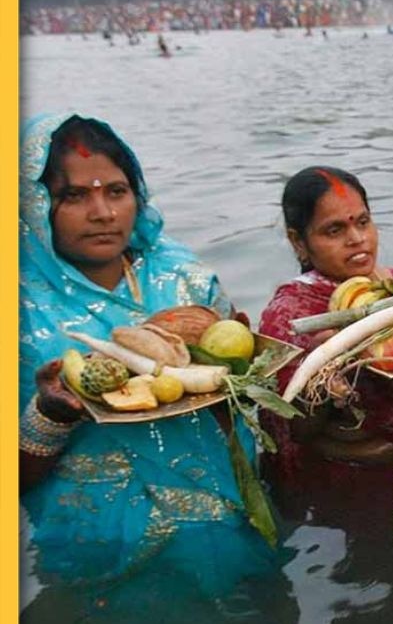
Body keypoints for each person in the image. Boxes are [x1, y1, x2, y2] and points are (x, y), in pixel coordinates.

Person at [18, 113, 277, 591]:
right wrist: (48, 415)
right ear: (35, 206)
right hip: (99, 555)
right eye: (75, 195)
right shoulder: (22, 310)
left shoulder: (186, 280)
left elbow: (249, 409)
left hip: (226, 527)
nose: (103, 212)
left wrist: (244, 373)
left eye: (116, 191)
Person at [257, 166, 393, 471]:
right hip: (348, 481)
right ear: (298, 241)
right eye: (334, 230)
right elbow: (293, 429)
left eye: (363, 222)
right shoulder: (290, 313)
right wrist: (326, 371)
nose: (357, 238)